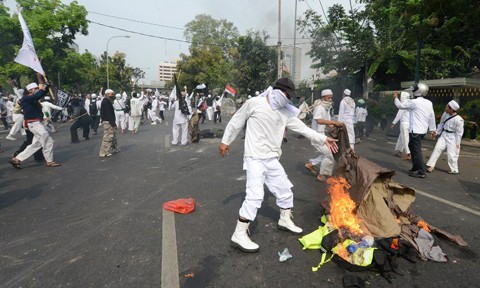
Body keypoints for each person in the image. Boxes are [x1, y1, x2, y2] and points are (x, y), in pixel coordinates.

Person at [219, 78, 338, 253]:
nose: (288, 99)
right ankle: (239, 234)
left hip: (272, 158)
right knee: (255, 196)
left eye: (290, 97)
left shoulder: (285, 112)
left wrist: (323, 138)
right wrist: (225, 141)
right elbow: (237, 121)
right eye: (287, 95)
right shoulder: (255, 103)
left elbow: (303, 129)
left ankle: (284, 219)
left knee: (284, 189)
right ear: (276, 91)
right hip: (255, 158)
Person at [8, 82, 61, 169]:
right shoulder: (27, 98)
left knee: (37, 144)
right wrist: (45, 86)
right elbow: (38, 95)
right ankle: (50, 161)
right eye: (35, 89)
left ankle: (17, 159)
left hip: (36, 123)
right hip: (34, 123)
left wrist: (47, 88)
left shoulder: (31, 98)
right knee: (48, 141)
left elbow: (40, 94)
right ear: (30, 90)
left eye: (37, 88)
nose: (37, 90)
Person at [393, 83, 436, 178]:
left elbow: (400, 106)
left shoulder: (414, 102)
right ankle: (415, 167)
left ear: (418, 91)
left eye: (414, 90)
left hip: (415, 130)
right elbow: (432, 117)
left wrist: (396, 97)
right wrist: (432, 129)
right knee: (412, 147)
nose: (412, 91)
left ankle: (421, 172)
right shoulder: (429, 103)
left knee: (416, 151)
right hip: (422, 130)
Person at [304, 89, 343, 182]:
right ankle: (322, 175)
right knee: (329, 156)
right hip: (316, 136)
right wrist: (334, 122)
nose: (330, 99)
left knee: (327, 152)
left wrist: (336, 127)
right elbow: (319, 120)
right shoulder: (320, 108)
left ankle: (310, 164)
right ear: (323, 97)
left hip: (322, 136)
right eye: (329, 97)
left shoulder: (327, 108)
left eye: (331, 97)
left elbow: (328, 123)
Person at [426, 100, 464, 174]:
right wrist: (436, 132)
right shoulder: (445, 114)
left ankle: (454, 169)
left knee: (452, 154)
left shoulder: (459, 120)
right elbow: (441, 124)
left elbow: (459, 133)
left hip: (453, 137)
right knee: (437, 149)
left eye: (447, 107)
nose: (445, 108)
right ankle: (431, 166)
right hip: (444, 134)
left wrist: (457, 143)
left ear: (451, 109)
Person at [99, 89, 120, 158]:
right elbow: (109, 114)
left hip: (108, 121)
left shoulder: (107, 101)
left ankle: (114, 148)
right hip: (108, 122)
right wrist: (113, 124)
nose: (113, 95)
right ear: (107, 94)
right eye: (112, 94)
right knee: (108, 137)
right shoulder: (106, 102)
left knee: (113, 136)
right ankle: (103, 152)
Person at [391, 92, 411, 160]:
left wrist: (393, 123)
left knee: (405, 139)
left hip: (404, 124)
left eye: (401, 96)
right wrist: (396, 98)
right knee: (401, 138)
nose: (400, 97)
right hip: (409, 124)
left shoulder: (404, 104)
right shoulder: (409, 102)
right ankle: (399, 151)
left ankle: (408, 153)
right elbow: (399, 105)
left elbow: (399, 114)